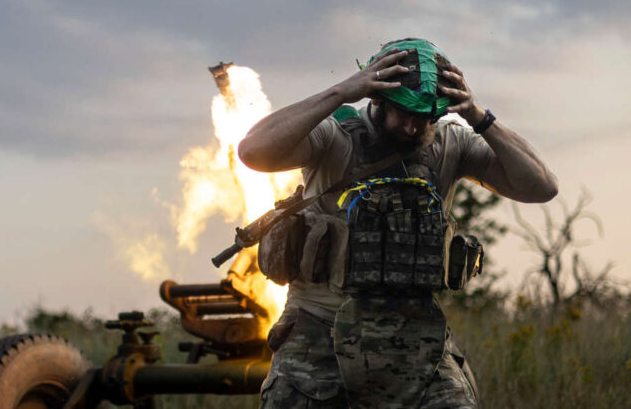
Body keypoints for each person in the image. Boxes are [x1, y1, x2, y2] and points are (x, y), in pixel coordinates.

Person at [238, 38, 558, 408]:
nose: (411, 127)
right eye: (404, 113)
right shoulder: (335, 136)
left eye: (424, 116)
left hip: (415, 341)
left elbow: (542, 187)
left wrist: (478, 116)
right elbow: (253, 151)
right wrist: (342, 92)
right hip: (318, 334)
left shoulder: (451, 144)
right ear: (377, 98)